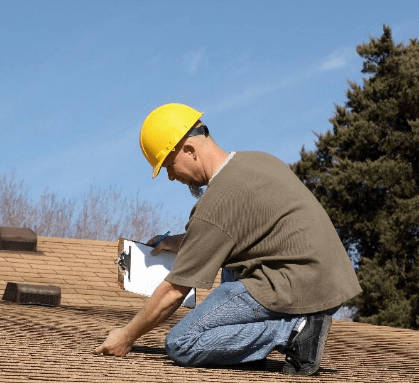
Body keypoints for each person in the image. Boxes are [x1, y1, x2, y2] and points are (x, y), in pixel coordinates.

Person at [94, 103, 362, 376]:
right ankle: (249, 351)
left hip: (297, 285)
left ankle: (296, 331)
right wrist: (179, 242)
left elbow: (175, 291)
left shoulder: (216, 203)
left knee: (181, 343)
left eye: (168, 166)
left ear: (189, 150)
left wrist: (127, 335)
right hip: (327, 280)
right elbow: (238, 232)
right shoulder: (257, 161)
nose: (172, 177)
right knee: (231, 265)